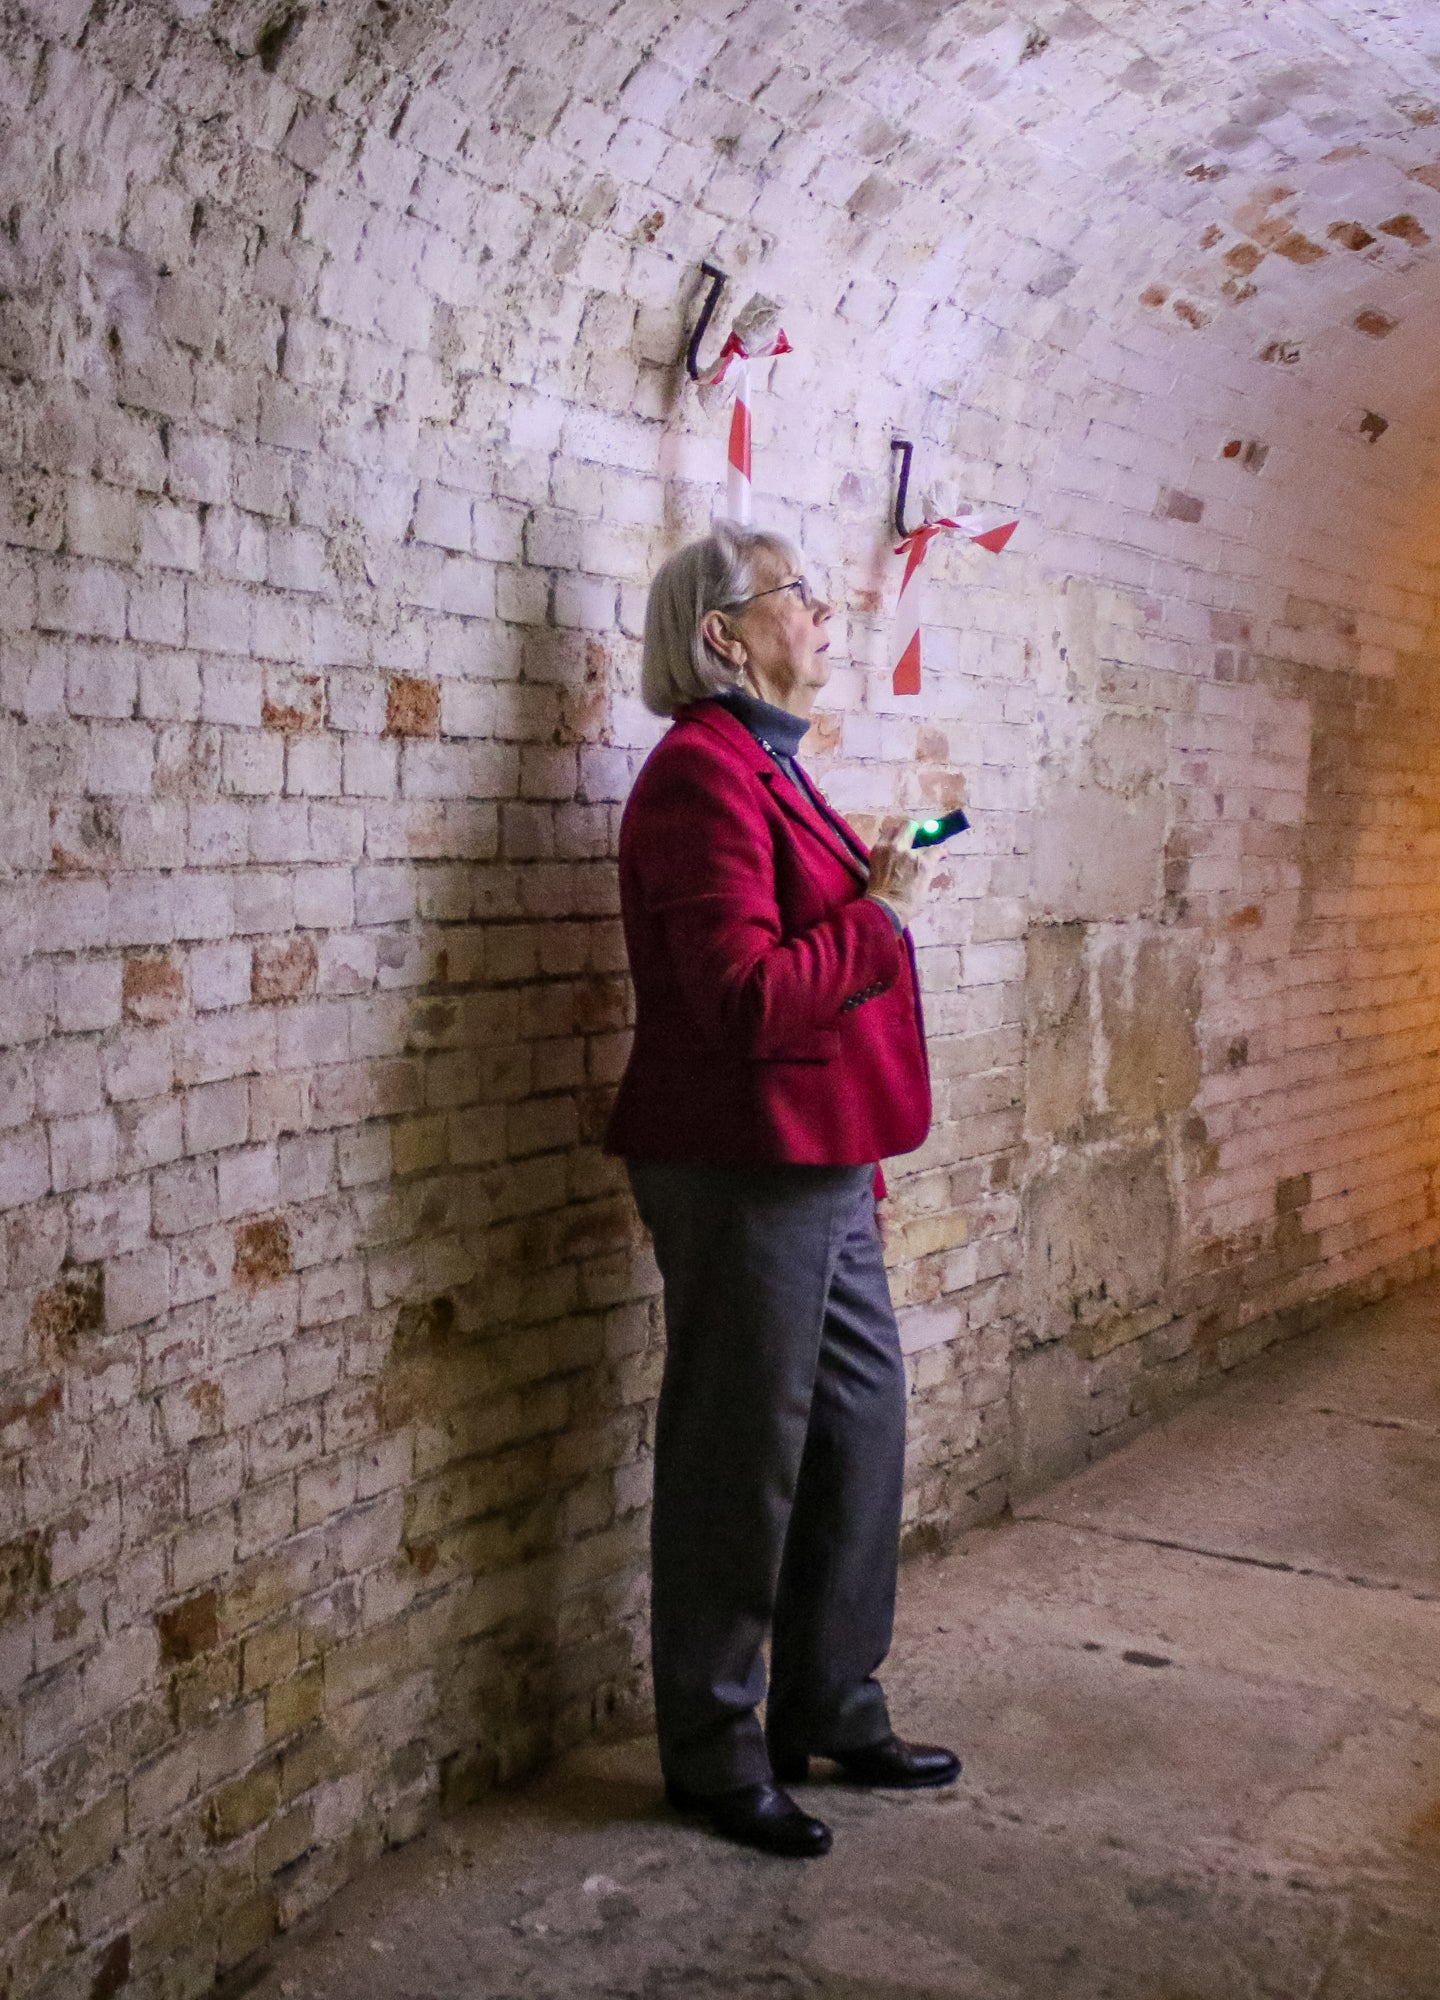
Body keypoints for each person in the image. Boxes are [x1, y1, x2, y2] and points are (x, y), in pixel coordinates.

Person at [604, 522, 964, 1859]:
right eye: (796, 597)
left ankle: (832, 1702)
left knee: (858, 1434)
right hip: (740, 1165)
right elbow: (745, 1001)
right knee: (736, 1460)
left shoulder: (771, 765)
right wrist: (882, 913)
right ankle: (712, 1750)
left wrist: (866, 880)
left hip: (823, 1159)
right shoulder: (702, 777)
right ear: (724, 635)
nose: (821, 613)